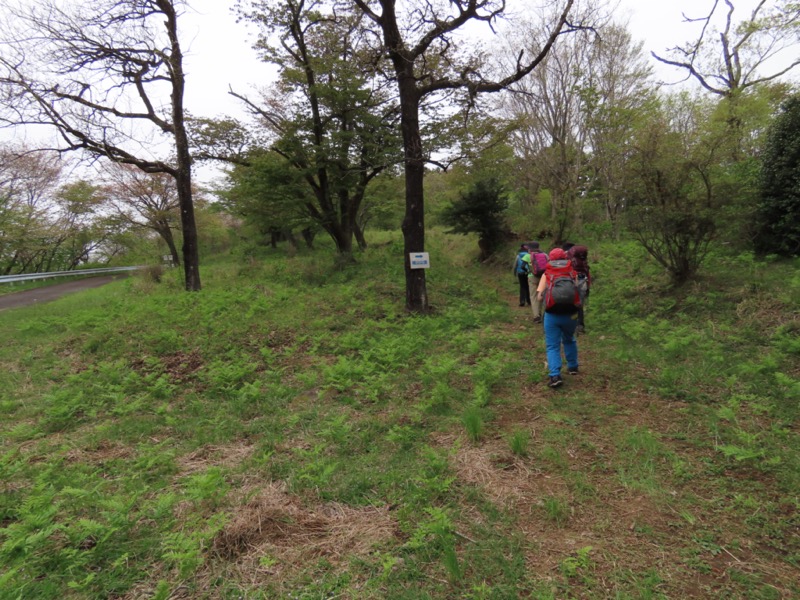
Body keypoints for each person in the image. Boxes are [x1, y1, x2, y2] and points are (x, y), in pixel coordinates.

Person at [536, 247, 580, 388]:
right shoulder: (573, 272)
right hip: (571, 314)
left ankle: (555, 375)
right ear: (565, 258)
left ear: (551, 259)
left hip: (552, 315)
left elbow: (538, 297)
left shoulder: (547, 274)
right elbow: (578, 292)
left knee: (553, 346)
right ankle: (573, 367)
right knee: (569, 339)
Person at [567, 244, 591, 333]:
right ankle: (580, 325)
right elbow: (588, 275)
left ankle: (571, 324)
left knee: (571, 302)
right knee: (580, 303)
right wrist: (588, 287)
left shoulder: (571, 261)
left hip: (572, 282)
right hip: (583, 282)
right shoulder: (584, 262)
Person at [522, 241, 547, 322]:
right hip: (543, 277)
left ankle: (536, 316)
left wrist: (528, 271)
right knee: (543, 295)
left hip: (532, 277)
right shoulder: (544, 255)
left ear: (530, 248)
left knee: (533, 296)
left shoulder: (527, 256)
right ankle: (544, 314)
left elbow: (522, 266)